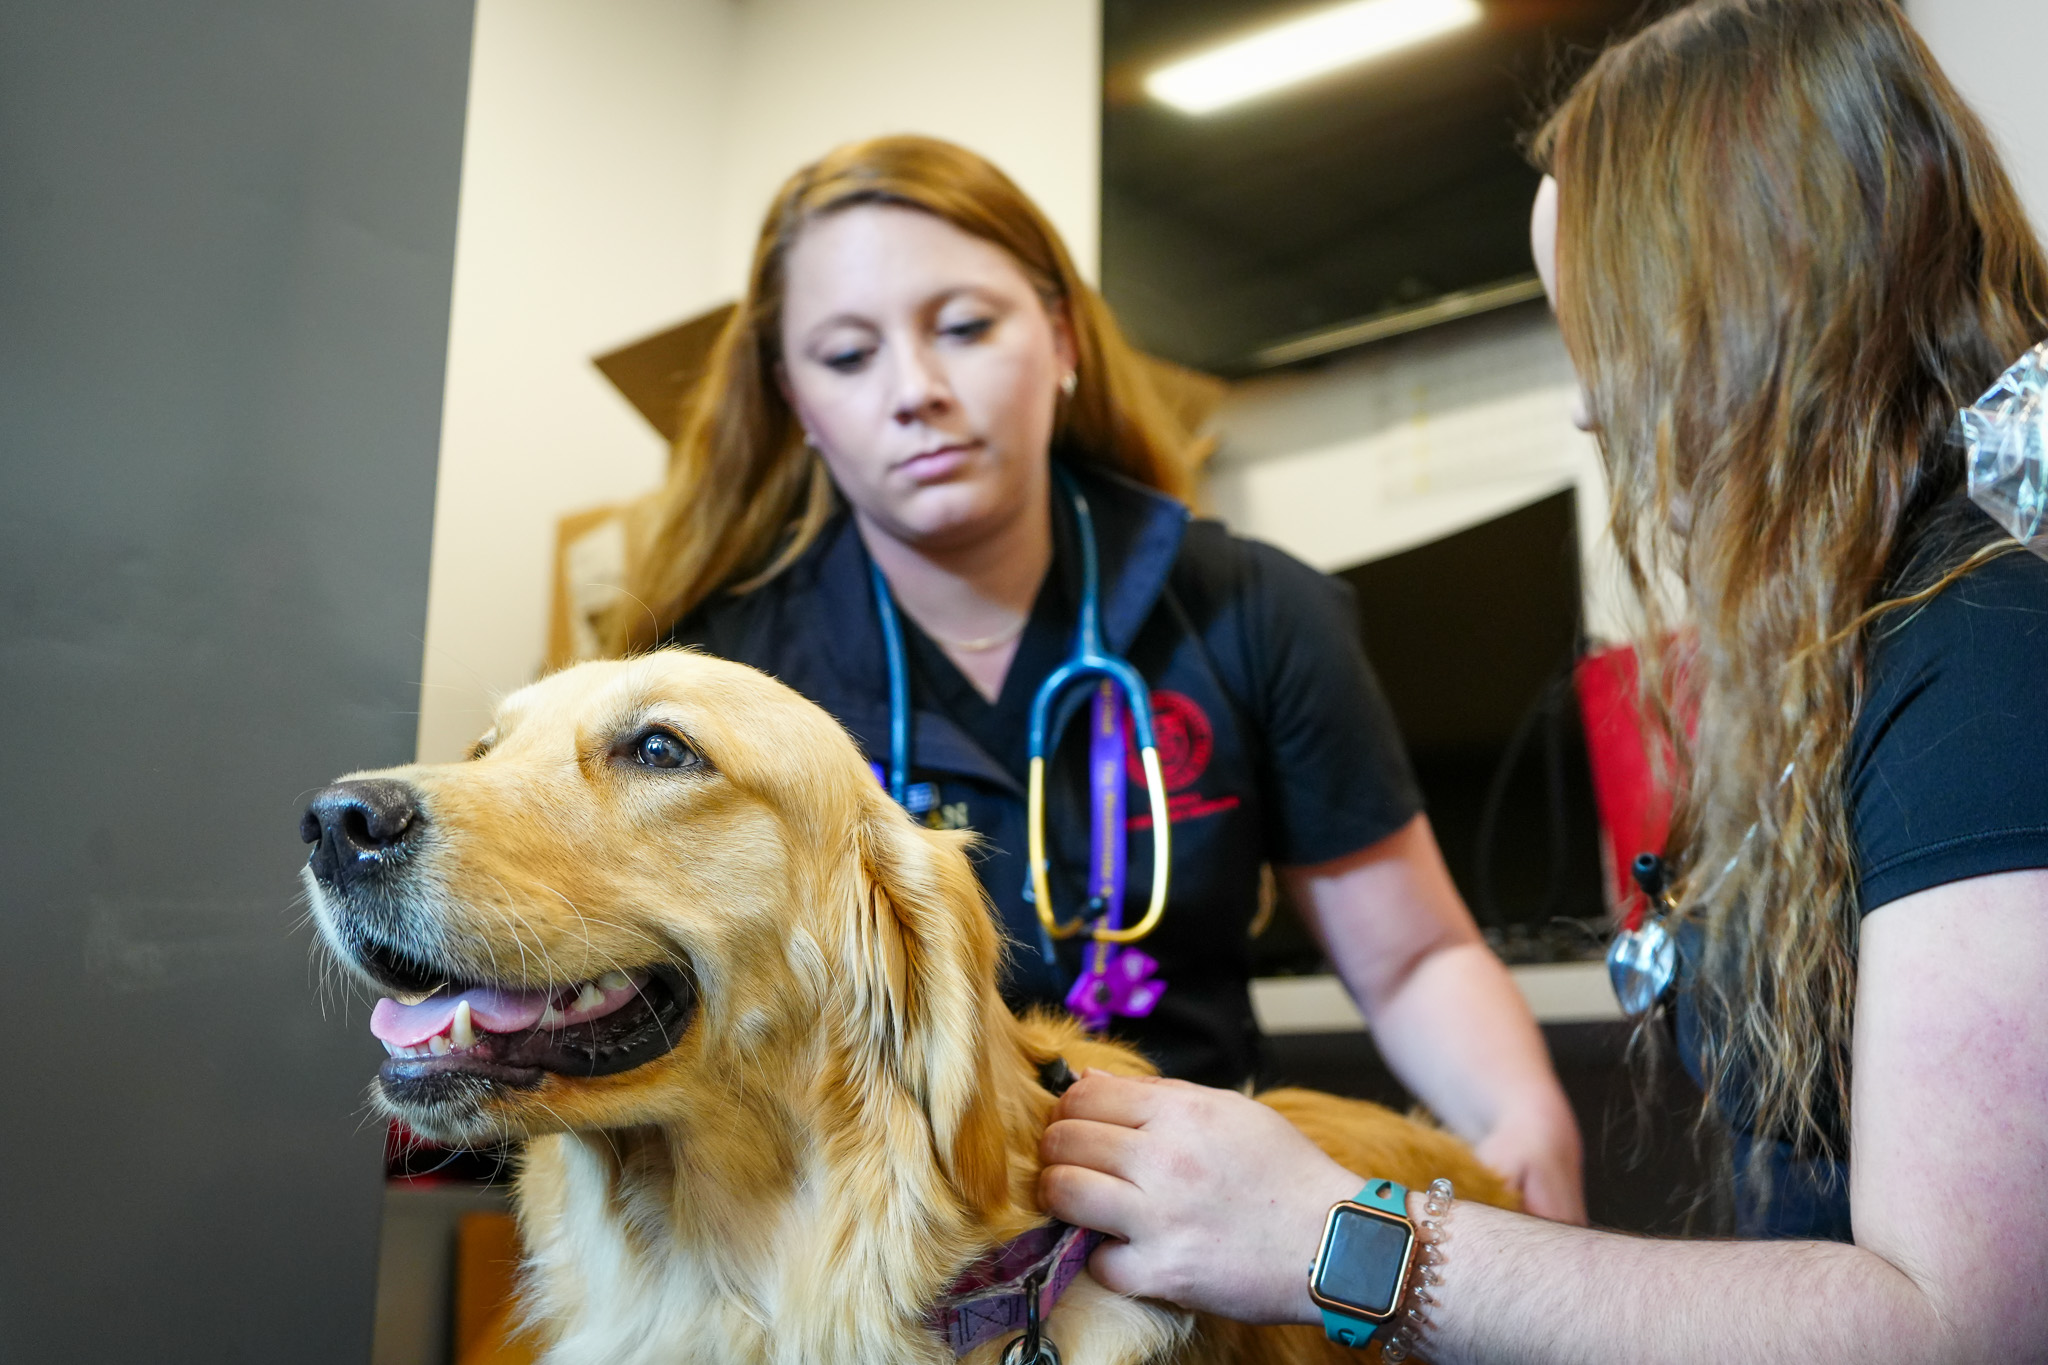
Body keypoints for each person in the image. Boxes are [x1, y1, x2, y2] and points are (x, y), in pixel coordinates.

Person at [1037, 1, 2048, 1358]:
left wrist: (1331, 1237)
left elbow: (1959, 1327)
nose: (1589, 407)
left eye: (1604, 334)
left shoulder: (1994, 647)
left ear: (1756, 295)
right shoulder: (1883, 629)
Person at [605, 134, 1585, 1222]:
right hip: (883, 1237)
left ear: (1061, 338)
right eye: (846, 357)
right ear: (795, 401)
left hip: (1197, 1226)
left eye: (966, 329)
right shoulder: (718, 682)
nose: (915, 390)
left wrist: (1520, 1114)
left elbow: (1410, 960)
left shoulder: (1256, 611)